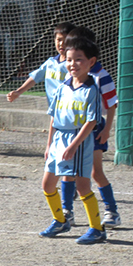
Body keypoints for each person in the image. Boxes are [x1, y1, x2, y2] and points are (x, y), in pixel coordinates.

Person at [39, 37, 106, 245]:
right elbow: (53, 117)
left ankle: (97, 228)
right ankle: (60, 220)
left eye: (79, 59)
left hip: (78, 140)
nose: (72, 64)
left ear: (91, 62)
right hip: (59, 139)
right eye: (69, 59)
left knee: (82, 187)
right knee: (48, 184)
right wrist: (49, 144)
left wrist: (74, 145)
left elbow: (92, 121)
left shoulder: (91, 89)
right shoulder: (62, 87)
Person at [58, 27, 121, 229]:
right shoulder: (70, 75)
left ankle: (112, 211)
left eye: (78, 53)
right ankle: (66, 212)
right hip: (72, 130)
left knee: (95, 172)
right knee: (68, 170)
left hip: (94, 129)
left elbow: (112, 104)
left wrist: (106, 129)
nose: (72, 58)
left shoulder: (101, 76)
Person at [7, 22, 76, 105]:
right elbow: (35, 78)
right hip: (53, 109)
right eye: (59, 40)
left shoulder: (73, 65)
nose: (62, 43)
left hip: (68, 108)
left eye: (65, 40)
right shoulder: (50, 63)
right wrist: (18, 91)